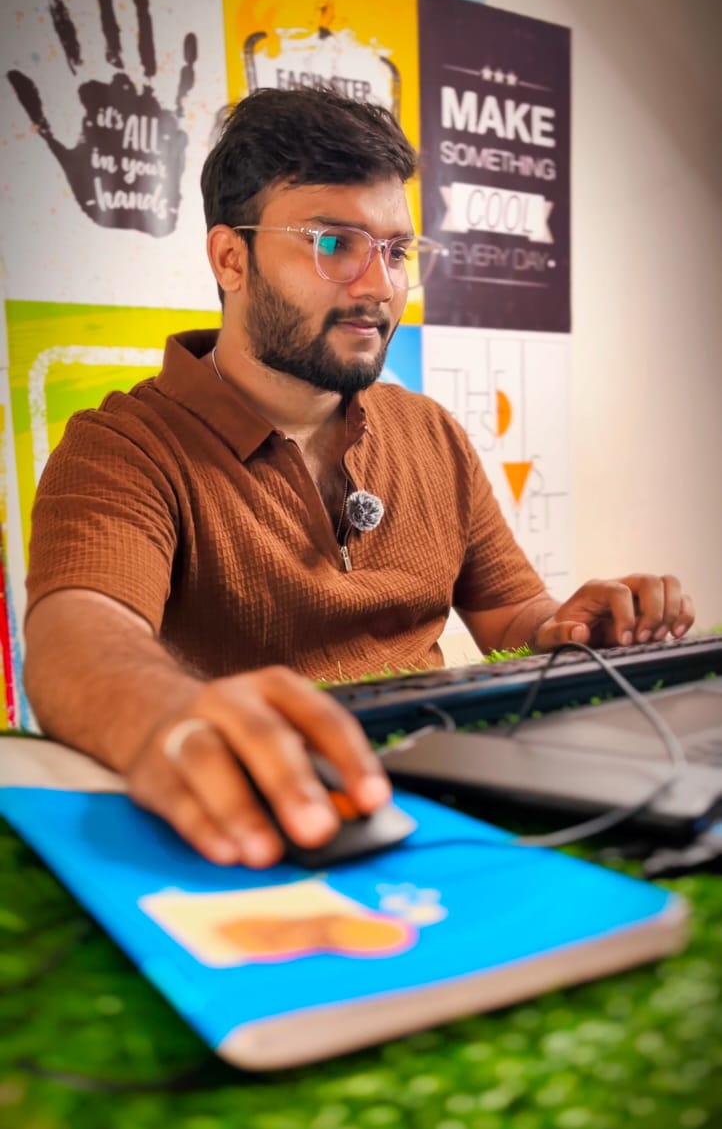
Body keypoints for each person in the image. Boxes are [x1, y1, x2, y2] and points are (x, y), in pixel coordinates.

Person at [23, 85, 695, 869]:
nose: (379, 285)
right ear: (230, 257)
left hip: (450, 800)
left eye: (398, 250)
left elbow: (512, 613)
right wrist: (172, 717)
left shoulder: (430, 431)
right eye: (335, 244)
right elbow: (79, 642)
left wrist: (572, 630)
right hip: (265, 823)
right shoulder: (124, 446)